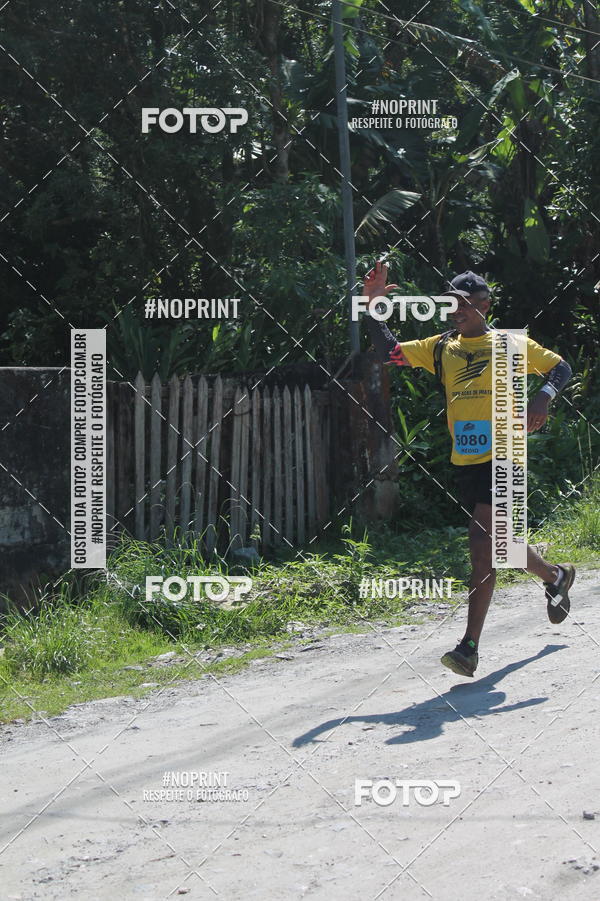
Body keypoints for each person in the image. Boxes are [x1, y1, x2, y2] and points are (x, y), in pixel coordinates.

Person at [363, 261, 574, 677]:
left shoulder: (511, 344)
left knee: (481, 549)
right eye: (451, 306)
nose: (457, 311)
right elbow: (388, 353)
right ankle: (555, 576)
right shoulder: (442, 347)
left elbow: (562, 367)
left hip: (505, 455)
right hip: (466, 459)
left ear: (485, 305)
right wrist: (372, 305)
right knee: (504, 549)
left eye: (465, 305)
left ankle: (468, 647)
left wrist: (543, 397)